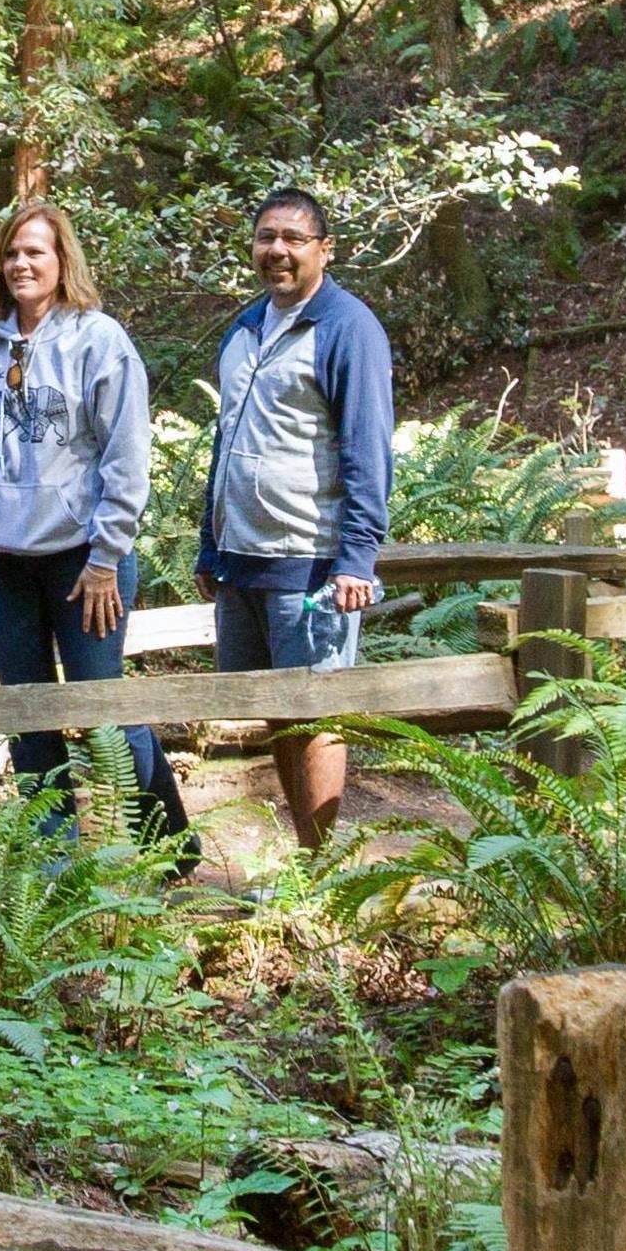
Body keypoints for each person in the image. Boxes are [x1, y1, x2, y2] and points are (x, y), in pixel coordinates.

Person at [0, 200, 191, 841]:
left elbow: (126, 457)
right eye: (13, 252)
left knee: (101, 702)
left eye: (36, 252)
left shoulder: (99, 340)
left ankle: (166, 847)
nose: (21, 263)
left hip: (83, 559)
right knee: (27, 708)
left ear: (61, 261)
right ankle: (56, 862)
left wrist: (107, 555)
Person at [196, 184, 392, 849]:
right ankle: (308, 854)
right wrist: (208, 544)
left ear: (324, 249)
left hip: (308, 556)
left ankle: (321, 866)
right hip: (241, 555)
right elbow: (226, 441)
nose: (276, 250)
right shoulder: (246, 326)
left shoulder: (346, 328)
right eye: (265, 238)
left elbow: (366, 446)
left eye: (293, 238)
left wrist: (356, 557)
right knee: (272, 714)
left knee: (314, 710)